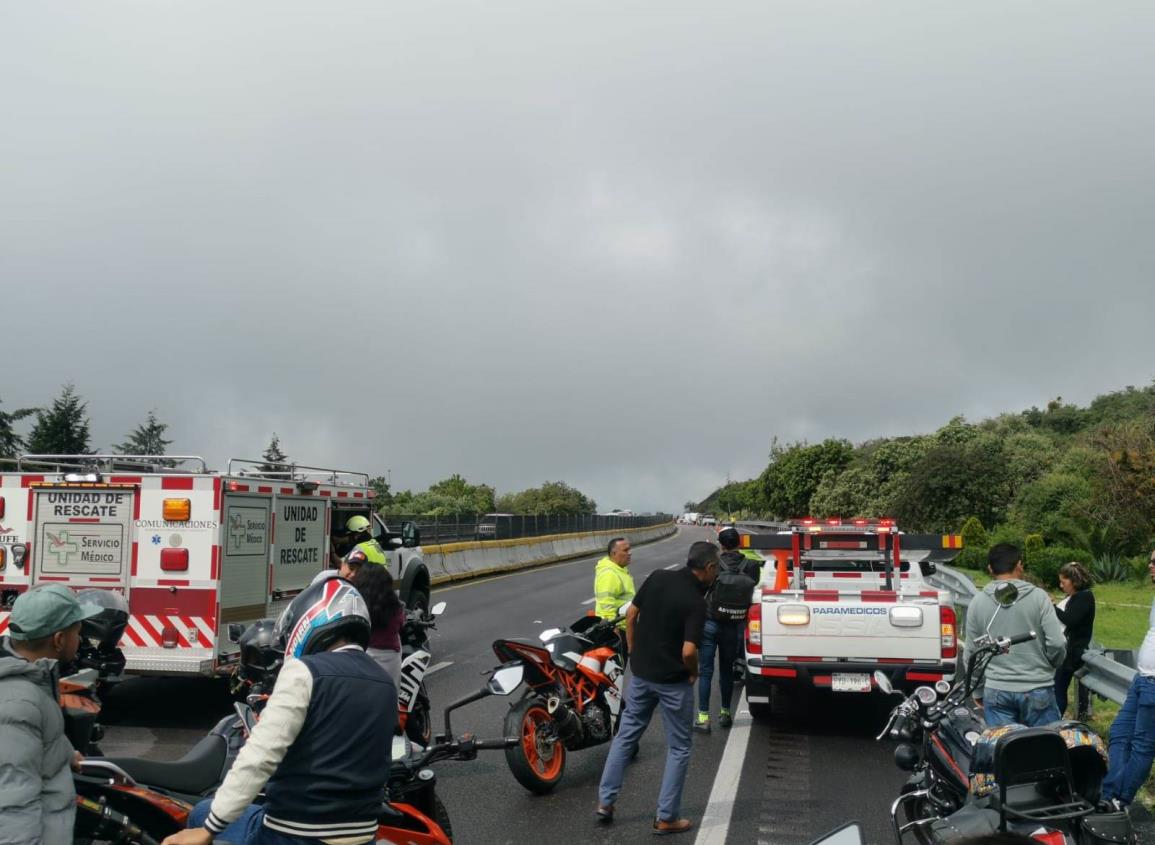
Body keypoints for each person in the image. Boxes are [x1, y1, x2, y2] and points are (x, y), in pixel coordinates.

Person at [163, 577, 396, 845]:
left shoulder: (305, 671)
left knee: (201, 812)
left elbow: (260, 756)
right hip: (362, 836)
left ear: (310, 619)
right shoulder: (384, 682)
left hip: (293, 836)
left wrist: (209, 829)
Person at [596, 540, 719, 836]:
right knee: (678, 747)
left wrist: (634, 650)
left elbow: (630, 615)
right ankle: (666, 817)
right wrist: (694, 672)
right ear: (709, 568)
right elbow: (689, 651)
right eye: (716, 570)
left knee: (625, 737)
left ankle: (605, 802)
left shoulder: (658, 576)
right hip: (673, 683)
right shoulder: (696, 603)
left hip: (641, 676)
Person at [0, 585, 102, 845]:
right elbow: (12, 803)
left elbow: (36, 738)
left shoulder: (32, 676)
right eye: (77, 632)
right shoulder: (17, 703)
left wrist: (66, 752)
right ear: (59, 640)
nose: (80, 640)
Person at [965, 543, 1066, 728]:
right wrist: (1051, 665)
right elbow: (1058, 643)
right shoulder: (1039, 597)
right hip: (1038, 687)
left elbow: (972, 652)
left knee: (1005, 751)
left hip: (997, 689)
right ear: (1019, 565)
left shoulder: (977, 602)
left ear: (989, 568)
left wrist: (977, 690)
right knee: (1044, 750)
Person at [1100, 549, 1155, 808]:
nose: (1150, 565)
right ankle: (1108, 793)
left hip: (1153, 684)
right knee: (1119, 732)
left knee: (1142, 746)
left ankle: (1120, 799)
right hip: (1141, 679)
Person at [694, 527, 759, 733]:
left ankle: (703, 717)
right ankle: (725, 712)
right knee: (726, 671)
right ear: (739, 542)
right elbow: (753, 586)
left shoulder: (713, 565)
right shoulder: (751, 565)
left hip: (710, 622)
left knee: (705, 671)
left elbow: (701, 587)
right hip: (734, 624)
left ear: (721, 545)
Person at [1053, 561, 1095, 720]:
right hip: (1068, 649)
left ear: (1073, 581)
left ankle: (1055, 721)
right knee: (1057, 687)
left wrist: (1053, 607)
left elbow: (1071, 620)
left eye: (1063, 582)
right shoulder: (1077, 596)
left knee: (1059, 688)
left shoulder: (1084, 597)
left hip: (1073, 651)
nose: (1061, 586)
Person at [352, 563, 406, 686]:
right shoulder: (394, 605)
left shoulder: (356, 604)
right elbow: (401, 624)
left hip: (363, 656)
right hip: (390, 656)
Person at [594, 537, 635, 651]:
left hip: (625, 626)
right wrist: (614, 633)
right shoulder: (609, 574)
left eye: (629, 549)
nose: (629, 553)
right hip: (618, 630)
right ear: (614, 553)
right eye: (625, 550)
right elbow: (606, 606)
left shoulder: (619, 570)